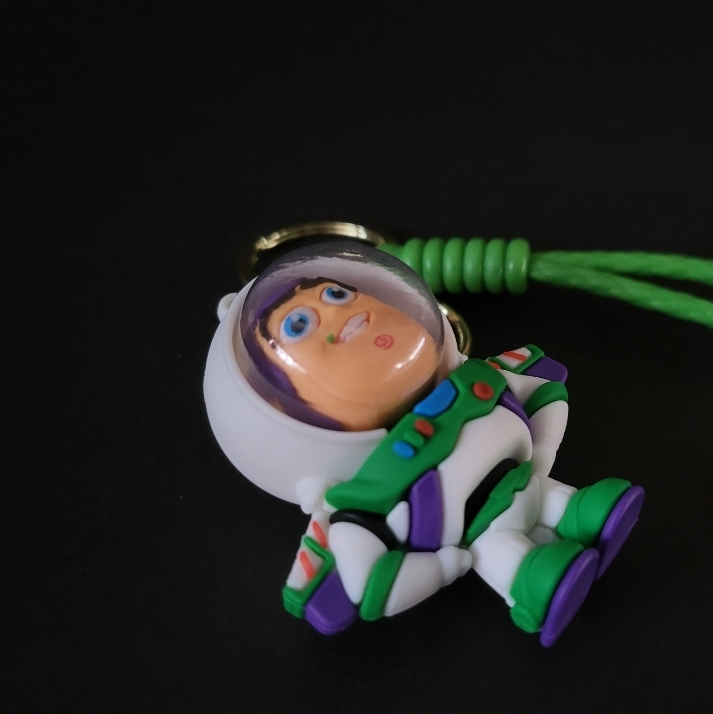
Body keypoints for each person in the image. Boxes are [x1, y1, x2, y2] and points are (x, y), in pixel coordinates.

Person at [241, 243, 644, 646]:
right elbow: (366, 586)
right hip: (482, 535)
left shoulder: (477, 377)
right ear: (283, 398)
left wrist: (541, 454)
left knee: (564, 504)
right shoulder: (360, 493)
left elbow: (545, 390)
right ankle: (530, 579)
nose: (337, 314)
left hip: (527, 475)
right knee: (505, 552)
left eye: (336, 293)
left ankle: (581, 513)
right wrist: (443, 566)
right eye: (299, 325)